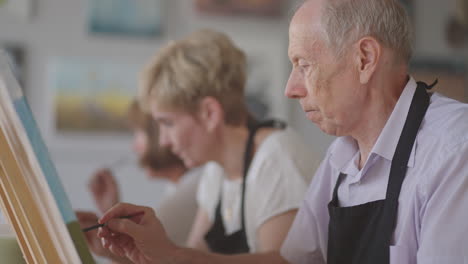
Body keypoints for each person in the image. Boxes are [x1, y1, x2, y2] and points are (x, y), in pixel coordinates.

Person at [96, 0, 468, 263]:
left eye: (303, 65)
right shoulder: (340, 157)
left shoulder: (454, 149)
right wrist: (171, 256)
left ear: (365, 59)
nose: (290, 88)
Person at [77, 100, 204, 263]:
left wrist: (109, 233)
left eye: (139, 133)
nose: (134, 147)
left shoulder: (195, 186)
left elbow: (153, 259)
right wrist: (111, 210)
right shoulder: (181, 186)